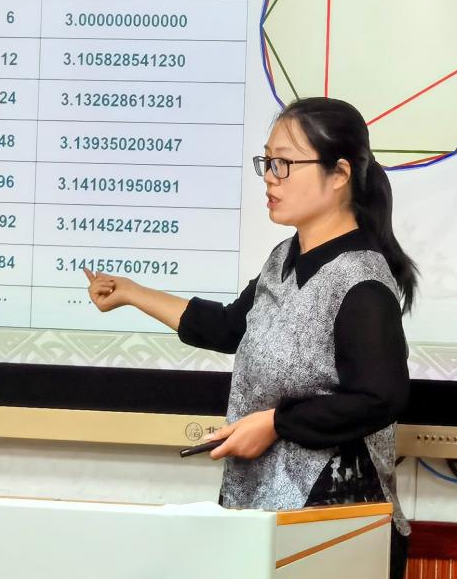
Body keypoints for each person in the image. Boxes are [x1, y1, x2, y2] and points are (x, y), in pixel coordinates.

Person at [83, 97, 417, 578]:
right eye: (267, 162)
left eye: (285, 164)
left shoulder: (361, 281)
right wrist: (132, 293)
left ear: (339, 174)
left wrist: (276, 424)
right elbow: (229, 328)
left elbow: (380, 398)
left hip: (336, 526)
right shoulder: (283, 258)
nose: (270, 178)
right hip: (265, 512)